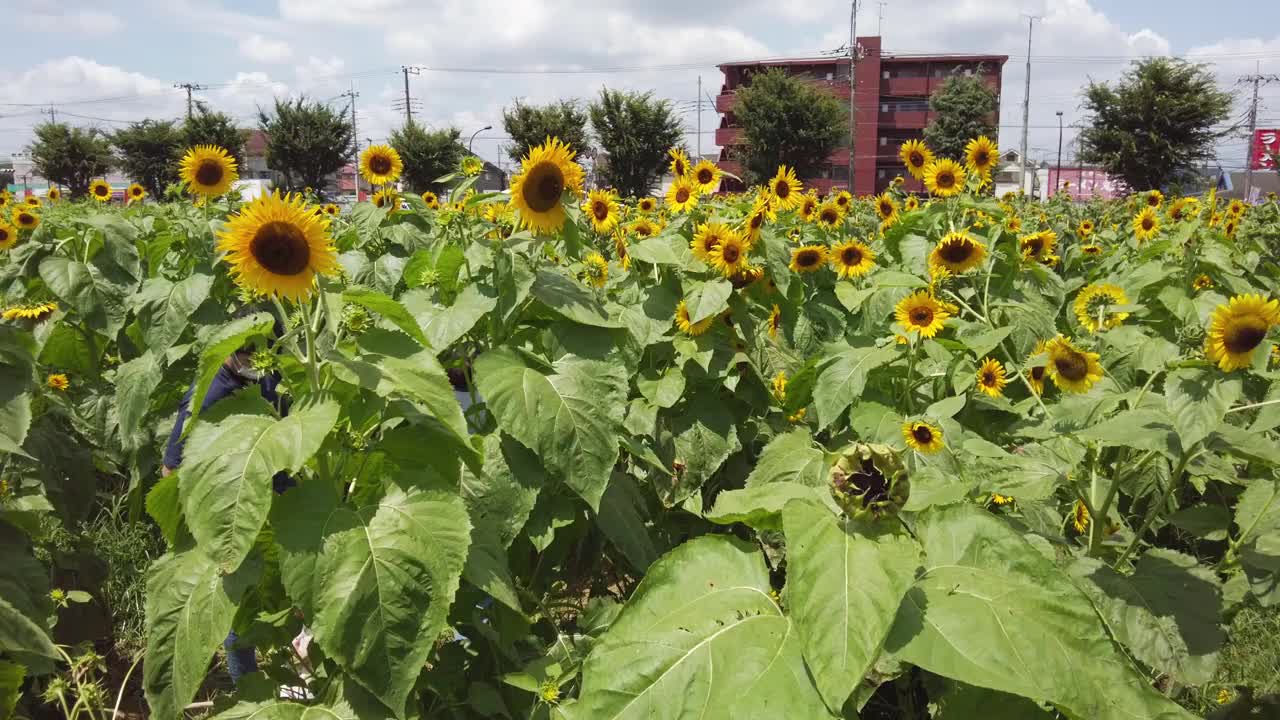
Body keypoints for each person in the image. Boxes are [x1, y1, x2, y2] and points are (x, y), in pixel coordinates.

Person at [162, 314, 289, 685]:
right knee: (239, 606)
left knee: (293, 590)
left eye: (269, 352)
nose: (260, 362)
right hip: (231, 513)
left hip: (279, 499)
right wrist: (196, 530)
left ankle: (298, 668)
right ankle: (246, 687)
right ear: (234, 350)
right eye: (252, 354)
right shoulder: (210, 395)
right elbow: (172, 467)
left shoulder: (270, 374)